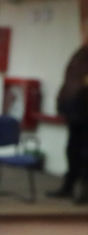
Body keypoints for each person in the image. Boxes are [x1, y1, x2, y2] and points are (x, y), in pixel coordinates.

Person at [48, 39, 88, 203]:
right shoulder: (81, 53)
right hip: (76, 111)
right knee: (72, 150)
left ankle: (84, 191)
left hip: (85, 110)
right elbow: (70, 80)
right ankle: (69, 185)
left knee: (86, 152)